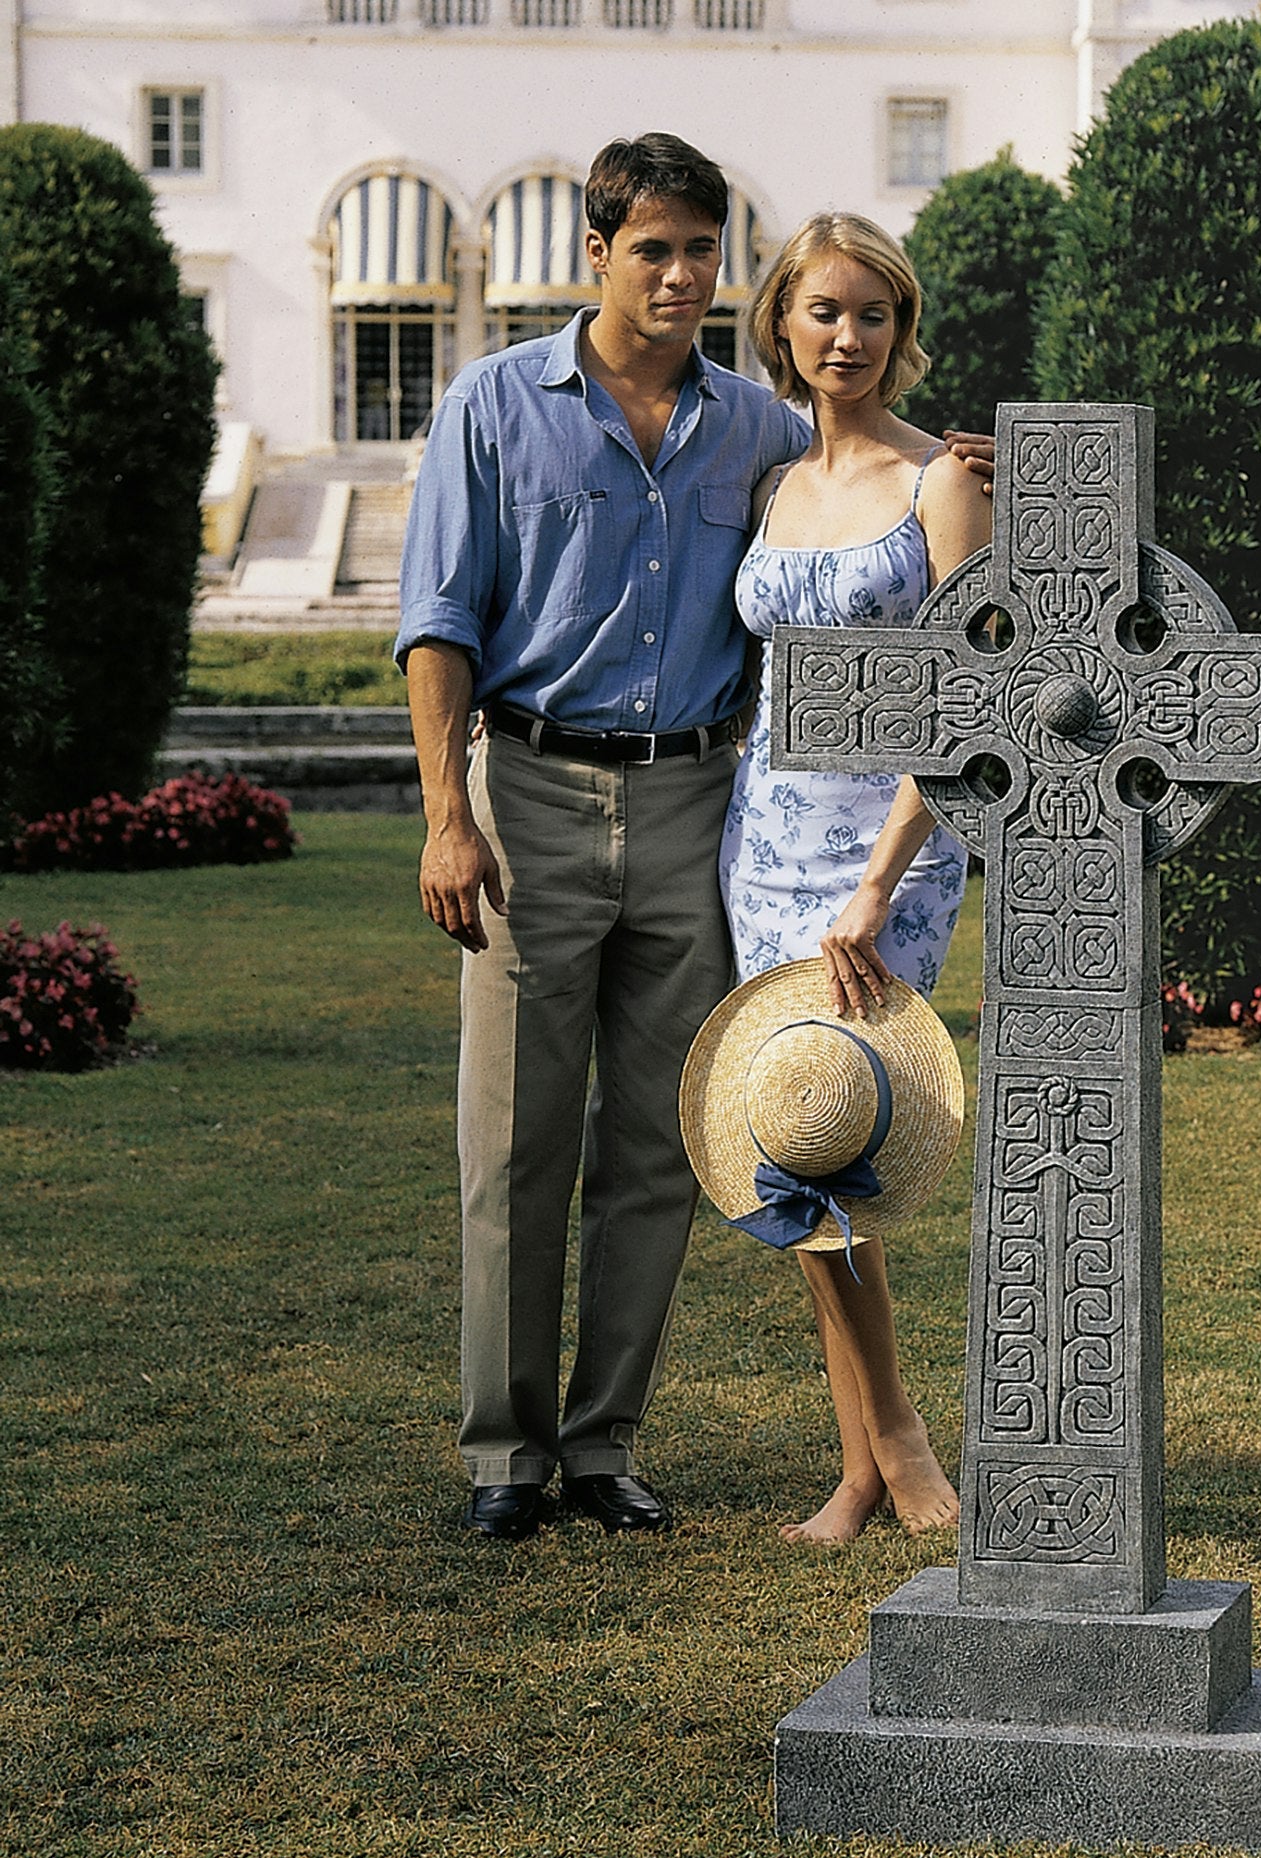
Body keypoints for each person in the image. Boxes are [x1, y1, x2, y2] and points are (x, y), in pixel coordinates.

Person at [396, 136, 990, 1541]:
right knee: (518, 1140)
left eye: (701, 251)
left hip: (698, 811)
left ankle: (604, 1448)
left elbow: (893, 494)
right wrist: (442, 815)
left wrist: (985, 464)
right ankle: (506, 1457)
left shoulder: (755, 428)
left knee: (684, 1143)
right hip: (531, 800)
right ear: (595, 250)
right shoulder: (494, 404)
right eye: (652, 248)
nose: (678, 275)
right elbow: (440, 620)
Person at [719, 213, 992, 1545]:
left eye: (873, 315)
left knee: (850, 1130)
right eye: (823, 312)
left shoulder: (942, 478)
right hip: (763, 847)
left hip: (891, 854)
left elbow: (962, 696)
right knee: (792, 1137)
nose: (848, 337)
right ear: (781, 322)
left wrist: (879, 887)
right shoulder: (771, 473)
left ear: (901, 330)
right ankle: (867, 1465)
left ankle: (896, 1451)